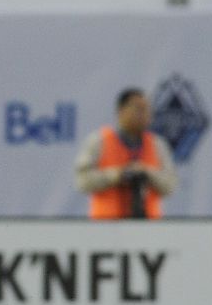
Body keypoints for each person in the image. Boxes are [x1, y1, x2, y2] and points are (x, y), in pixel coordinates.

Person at [74, 88, 178, 220]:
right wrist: (117, 175)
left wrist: (146, 173)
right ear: (121, 111)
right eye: (138, 109)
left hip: (148, 229)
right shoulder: (99, 141)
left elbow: (170, 186)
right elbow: (82, 181)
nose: (144, 114)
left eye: (147, 109)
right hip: (105, 228)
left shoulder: (157, 145)